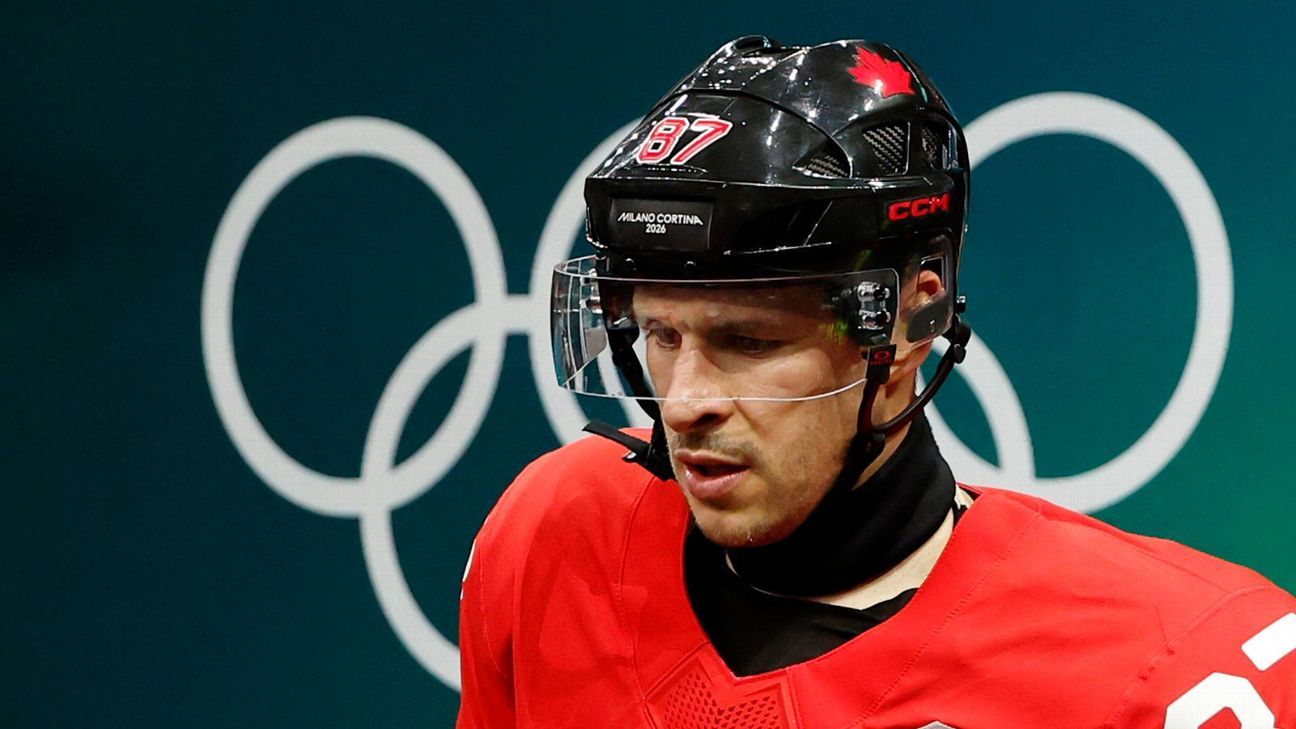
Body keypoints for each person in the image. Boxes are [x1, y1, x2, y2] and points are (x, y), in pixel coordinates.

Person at [456, 36, 1296, 728]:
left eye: (748, 339)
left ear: (907, 320)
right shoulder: (553, 535)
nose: (683, 401)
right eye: (660, 334)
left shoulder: (1182, 668)